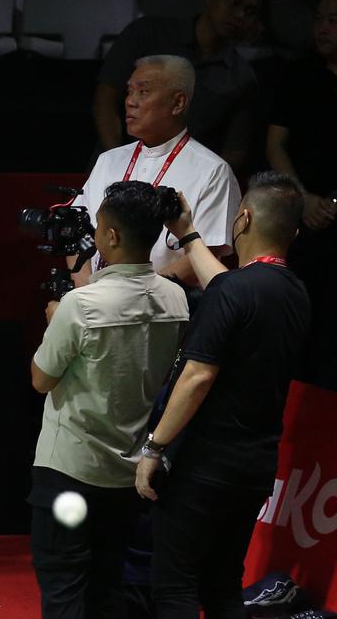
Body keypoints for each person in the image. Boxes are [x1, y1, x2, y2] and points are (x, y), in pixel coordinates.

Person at [135, 172, 311, 618]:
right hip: (254, 468)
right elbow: (229, 288)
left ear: (243, 218)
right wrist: (188, 234)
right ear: (292, 233)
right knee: (222, 587)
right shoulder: (294, 291)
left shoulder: (234, 291)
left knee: (174, 588)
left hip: (203, 468)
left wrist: (154, 447)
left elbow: (197, 376)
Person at [28, 181, 190, 619]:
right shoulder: (176, 298)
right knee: (106, 587)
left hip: (69, 473)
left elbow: (40, 379)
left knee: (63, 586)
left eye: (98, 227)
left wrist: (53, 321)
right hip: (125, 477)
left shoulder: (79, 305)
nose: (94, 235)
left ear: (112, 236)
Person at [73, 55, 241, 290]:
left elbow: (202, 256)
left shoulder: (212, 170)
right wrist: (87, 291)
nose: (130, 101)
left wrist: (131, 296)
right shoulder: (108, 160)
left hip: (165, 306)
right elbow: (76, 230)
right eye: (129, 91)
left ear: (178, 103)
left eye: (143, 92)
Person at [92, 0, 261, 173]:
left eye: (250, 12)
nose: (240, 15)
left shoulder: (242, 76)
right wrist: (119, 165)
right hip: (117, 170)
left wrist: (196, 180)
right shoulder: (149, 34)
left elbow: (236, 150)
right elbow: (105, 101)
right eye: (234, 3)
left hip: (184, 181)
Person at [265, 0, 337, 390]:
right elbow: (275, 142)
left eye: (333, 20)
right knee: (301, 321)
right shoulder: (299, 75)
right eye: (319, 19)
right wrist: (303, 198)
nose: (323, 28)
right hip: (303, 214)